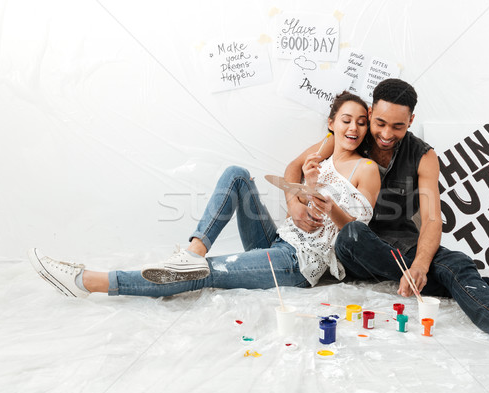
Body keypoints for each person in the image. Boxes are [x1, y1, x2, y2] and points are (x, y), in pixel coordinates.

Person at [284, 78, 489, 362]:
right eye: (379, 123)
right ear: (370, 112)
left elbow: (433, 219)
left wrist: (420, 266)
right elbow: (293, 167)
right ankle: (480, 289)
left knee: (455, 262)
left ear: (411, 121)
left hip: (400, 245)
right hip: (354, 246)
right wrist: (294, 201)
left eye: (398, 126)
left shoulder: (423, 155)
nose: (386, 133)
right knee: (353, 232)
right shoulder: (350, 134)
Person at [28, 92, 381, 300]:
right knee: (236, 175)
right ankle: (194, 250)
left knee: (206, 274)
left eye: (362, 122)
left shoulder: (366, 168)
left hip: (298, 263)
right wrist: (297, 197)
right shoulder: (327, 147)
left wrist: (327, 205)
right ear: (332, 122)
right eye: (346, 120)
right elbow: (291, 170)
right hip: (278, 239)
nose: (354, 128)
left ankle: (88, 281)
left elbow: (356, 232)